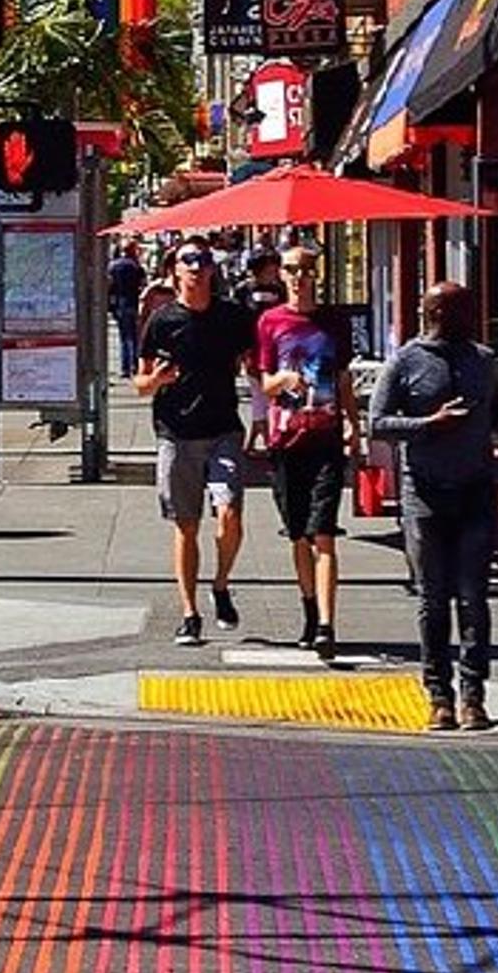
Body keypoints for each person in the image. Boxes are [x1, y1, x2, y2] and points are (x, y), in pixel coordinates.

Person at [369, 280, 498, 730]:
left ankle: (473, 694)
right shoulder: (406, 362)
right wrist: (431, 423)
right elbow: (380, 423)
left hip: (475, 490)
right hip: (424, 492)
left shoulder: (483, 361)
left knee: (473, 596)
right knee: (432, 598)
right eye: (465, 309)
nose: (474, 316)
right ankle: (438, 693)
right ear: (439, 314)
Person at [134, 234, 257, 646]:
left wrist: (264, 415)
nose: (196, 267)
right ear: (175, 270)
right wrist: (158, 379)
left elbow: (255, 368)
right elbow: (140, 382)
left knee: (230, 516)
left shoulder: (234, 317)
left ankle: (221, 584)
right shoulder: (163, 320)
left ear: (212, 268)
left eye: (203, 260)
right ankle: (190, 613)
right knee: (186, 526)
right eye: (188, 261)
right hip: (177, 432)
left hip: (224, 428)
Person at [256, 244, 360, 661]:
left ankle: (326, 626)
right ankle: (309, 608)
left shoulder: (335, 322)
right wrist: (281, 379)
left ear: (317, 274)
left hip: (327, 438)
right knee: (298, 533)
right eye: (292, 270)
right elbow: (263, 385)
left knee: (324, 534)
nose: (299, 277)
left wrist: (354, 422)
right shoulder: (270, 322)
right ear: (281, 275)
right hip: (287, 440)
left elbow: (344, 377)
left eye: (306, 269)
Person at [235, 247, 286, 452]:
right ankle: (264, 434)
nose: (273, 271)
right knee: (259, 390)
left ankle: (261, 434)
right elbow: (238, 319)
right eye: (270, 267)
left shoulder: (281, 290)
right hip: (252, 347)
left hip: (277, 345)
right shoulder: (244, 290)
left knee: (272, 392)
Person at [107, 240, 146, 378]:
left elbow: (110, 287)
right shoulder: (136, 267)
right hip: (133, 302)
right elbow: (142, 285)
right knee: (135, 336)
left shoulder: (113, 266)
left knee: (123, 337)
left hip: (119, 303)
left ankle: (125, 368)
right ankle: (135, 365)